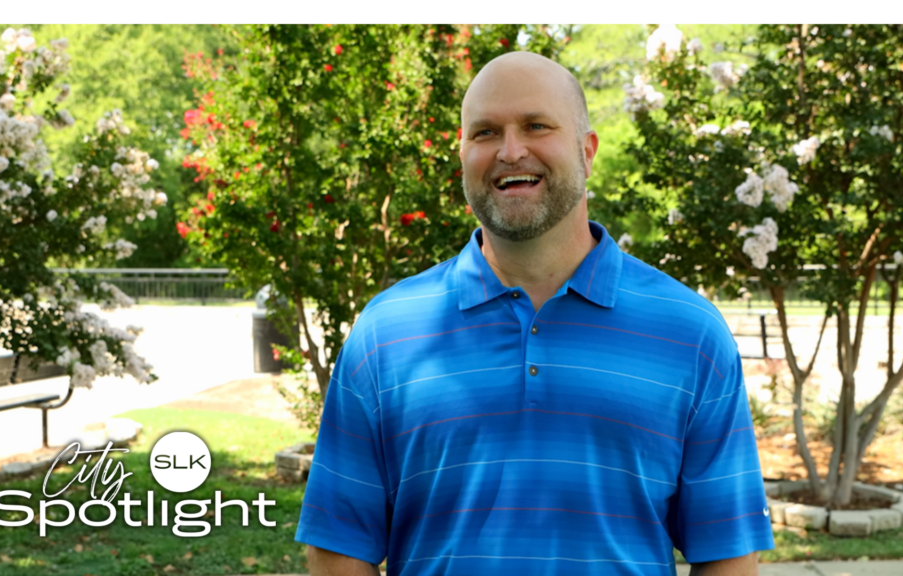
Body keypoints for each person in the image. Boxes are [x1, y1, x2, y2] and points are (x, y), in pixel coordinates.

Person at [295, 51, 774, 576]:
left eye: (536, 126)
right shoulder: (384, 335)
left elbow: (727, 553)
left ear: (586, 151)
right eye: (484, 133)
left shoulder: (691, 334)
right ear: (462, 155)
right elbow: (339, 550)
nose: (510, 150)